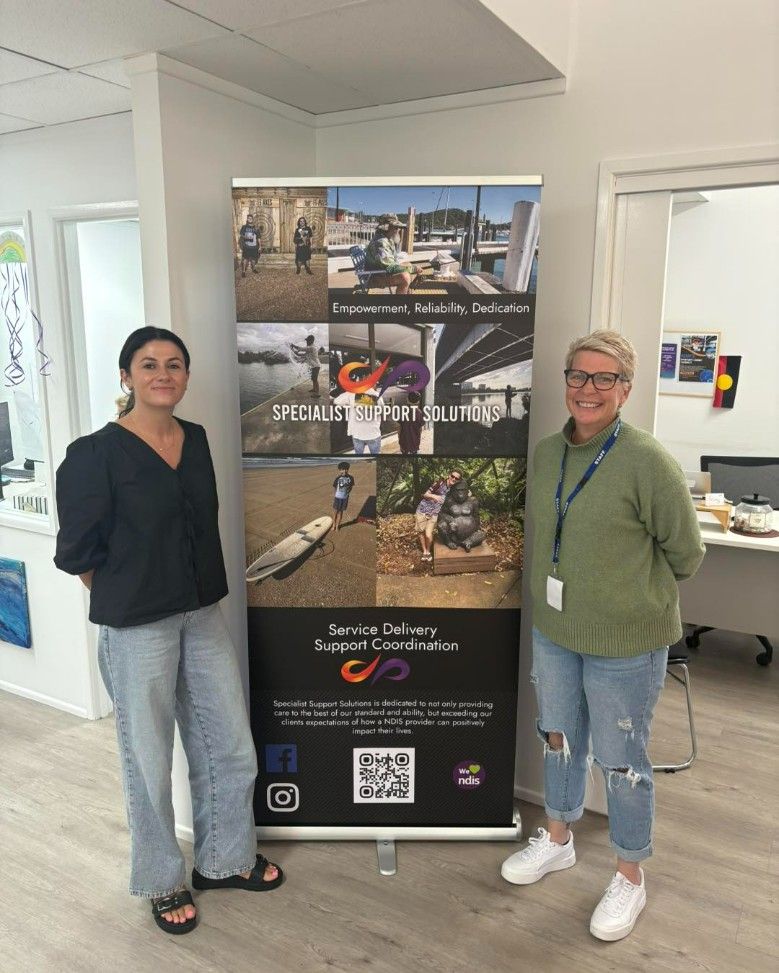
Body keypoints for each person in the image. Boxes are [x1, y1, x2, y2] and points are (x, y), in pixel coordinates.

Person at [53, 326, 283, 936]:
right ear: (126, 376)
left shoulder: (197, 439)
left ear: (185, 376)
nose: (164, 374)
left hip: (202, 614)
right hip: (137, 629)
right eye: (149, 364)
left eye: (174, 364)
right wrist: (129, 597)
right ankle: (161, 879)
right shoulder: (93, 454)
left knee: (229, 745)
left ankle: (225, 859)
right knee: (148, 760)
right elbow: (78, 552)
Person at [500, 330, 704, 941]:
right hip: (557, 629)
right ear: (566, 381)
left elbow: (687, 554)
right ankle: (559, 838)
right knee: (559, 737)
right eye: (578, 376)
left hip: (627, 642)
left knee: (622, 761)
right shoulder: (546, 453)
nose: (588, 389)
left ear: (626, 389)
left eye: (604, 378)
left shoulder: (647, 462)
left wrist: (624, 592)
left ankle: (629, 875)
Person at [364, 214, 421, 294]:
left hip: (381, 272)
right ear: (387, 228)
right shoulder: (381, 243)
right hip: (373, 277)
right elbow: (390, 268)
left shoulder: (388, 239)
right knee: (405, 277)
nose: (399, 230)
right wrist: (413, 269)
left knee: (408, 264)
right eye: (396, 227)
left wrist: (410, 266)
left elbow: (392, 262)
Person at [414, 470, 461, 563]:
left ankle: (428, 550)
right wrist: (434, 496)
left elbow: (461, 492)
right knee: (420, 532)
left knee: (428, 534)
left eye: (456, 478)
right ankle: (426, 552)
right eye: (452, 476)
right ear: (449, 475)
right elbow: (425, 495)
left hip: (434, 514)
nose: (454, 479)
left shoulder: (452, 489)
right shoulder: (439, 483)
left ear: (458, 480)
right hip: (422, 511)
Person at [332, 382, 384, 455]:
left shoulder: (351, 393)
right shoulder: (378, 396)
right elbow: (381, 409)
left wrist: (348, 404)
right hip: (373, 433)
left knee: (358, 455)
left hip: (357, 433)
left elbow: (336, 401)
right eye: (376, 384)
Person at [398, 390, 424, 454]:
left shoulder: (403, 412)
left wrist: (399, 439)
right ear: (418, 401)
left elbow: (399, 429)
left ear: (407, 400)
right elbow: (420, 429)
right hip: (415, 443)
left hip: (404, 442)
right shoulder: (420, 413)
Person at [332, 461, 355, 531]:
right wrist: (336, 495)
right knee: (335, 512)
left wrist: (347, 493)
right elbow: (335, 487)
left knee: (340, 512)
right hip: (337, 498)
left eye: (346, 469)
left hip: (344, 498)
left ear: (348, 469)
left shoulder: (351, 478)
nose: (344, 471)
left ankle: (337, 526)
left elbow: (351, 487)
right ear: (339, 470)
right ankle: (333, 525)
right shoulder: (337, 478)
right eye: (342, 469)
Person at [238, 214, 260, 278]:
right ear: (247, 219)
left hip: (254, 246)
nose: (250, 219)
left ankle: (253, 269)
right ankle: (243, 271)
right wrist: (246, 236)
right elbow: (241, 235)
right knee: (245, 259)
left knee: (253, 259)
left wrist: (260, 246)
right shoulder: (244, 227)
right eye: (248, 218)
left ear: (253, 219)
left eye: (251, 218)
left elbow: (258, 238)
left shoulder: (256, 228)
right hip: (246, 246)